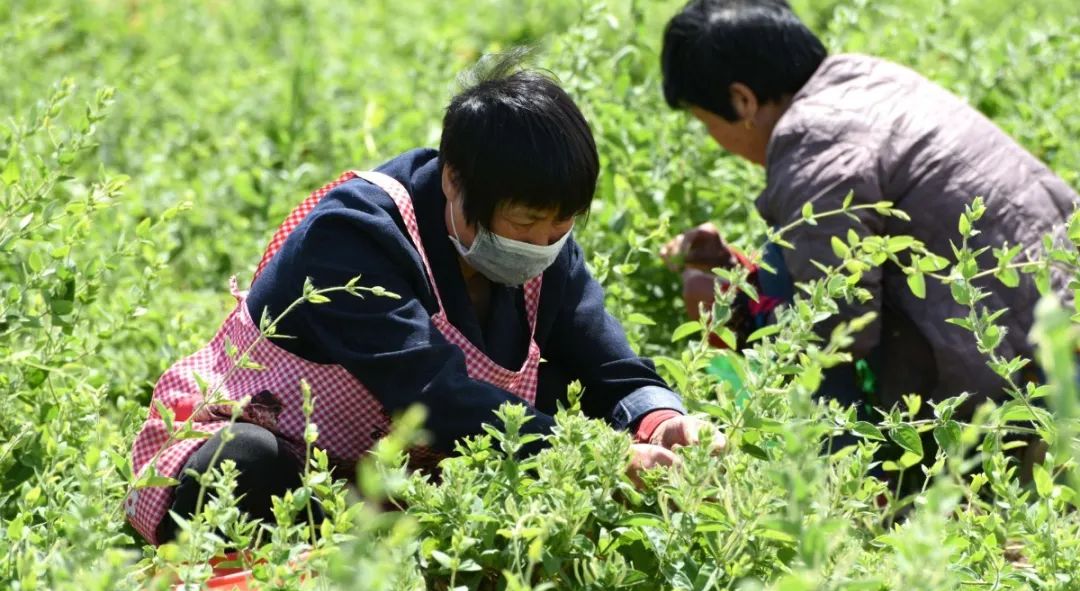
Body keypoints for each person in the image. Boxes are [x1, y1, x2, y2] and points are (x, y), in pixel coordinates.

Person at [125, 59, 724, 546]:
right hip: (291, 460)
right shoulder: (352, 234)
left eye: (562, 221)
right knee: (241, 466)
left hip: (402, 480)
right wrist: (604, 456)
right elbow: (432, 398)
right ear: (454, 182)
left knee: (576, 389)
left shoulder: (545, 246)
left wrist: (661, 422)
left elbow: (609, 365)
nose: (546, 241)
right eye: (527, 220)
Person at [659, 0, 1078, 414]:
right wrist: (733, 266)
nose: (713, 137)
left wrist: (734, 311)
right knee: (780, 262)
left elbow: (836, 328)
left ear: (742, 101)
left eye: (705, 122)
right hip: (1061, 314)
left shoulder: (810, 144)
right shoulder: (865, 77)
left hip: (1039, 379)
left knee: (761, 285)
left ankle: (845, 477)